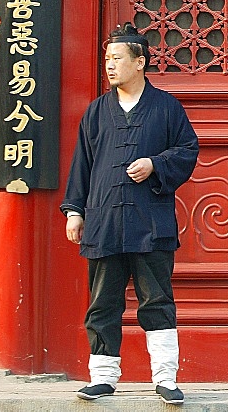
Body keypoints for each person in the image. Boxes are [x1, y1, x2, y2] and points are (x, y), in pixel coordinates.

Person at [61, 22, 199, 405]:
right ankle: (103, 376)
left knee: (157, 299)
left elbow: (187, 150)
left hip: (150, 221)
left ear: (140, 62)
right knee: (103, 300)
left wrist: (156, 164)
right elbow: (82, 165)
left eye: (117, 59)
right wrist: (75, 211)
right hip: (104, 220)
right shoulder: (96, 111)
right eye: (107, 59)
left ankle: (165, 377)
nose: (109, 66)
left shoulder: (167, 107)